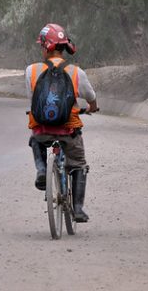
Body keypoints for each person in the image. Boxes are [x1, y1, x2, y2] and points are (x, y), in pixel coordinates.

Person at [26, 23, 98, 222]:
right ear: (64, 47)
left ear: (45, 47)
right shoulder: (76, 72)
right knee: (79, 164)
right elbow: (91, 97)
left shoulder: (31, 71)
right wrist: (91, 107)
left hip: (42, 129)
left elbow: (32, 99)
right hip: (69, 130)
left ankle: (42, 170)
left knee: (36, 140)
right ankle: (78, 209)